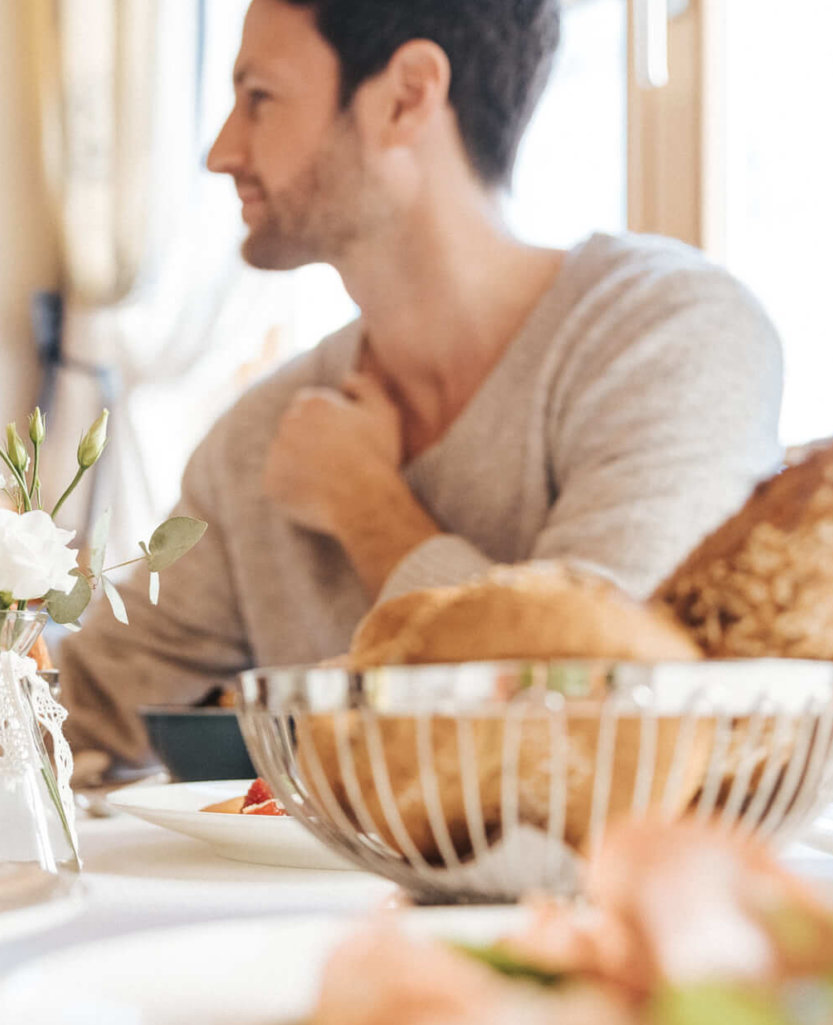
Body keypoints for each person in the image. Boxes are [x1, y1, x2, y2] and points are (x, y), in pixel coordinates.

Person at [61, 0, 783, 765]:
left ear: (407, 96)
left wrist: (367, 506)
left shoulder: (667, 334)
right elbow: (87, 708)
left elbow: (604, 708)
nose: (221, 152)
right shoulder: (261, 436)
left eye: (259, 98)